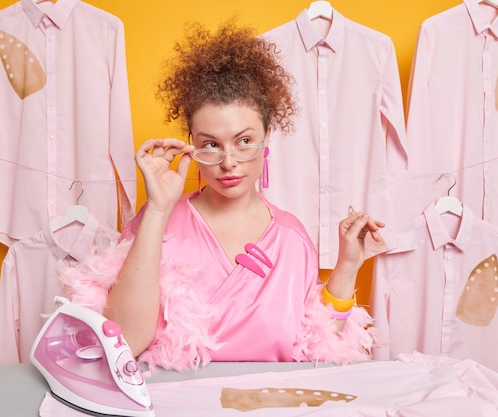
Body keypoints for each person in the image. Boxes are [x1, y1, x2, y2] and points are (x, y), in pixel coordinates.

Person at [63, 20, 384, 371]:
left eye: (244, 141)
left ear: (267, 137)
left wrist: (349, 264)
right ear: (192, 143)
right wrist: (157, 208)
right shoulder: (157, 225)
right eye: (211, 145)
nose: (228, 162)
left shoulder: (292, 239)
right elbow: (123, 341)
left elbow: (320, 348)